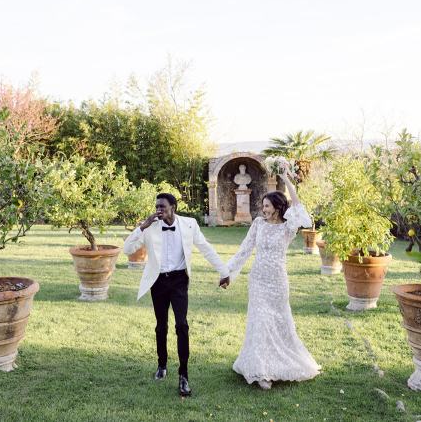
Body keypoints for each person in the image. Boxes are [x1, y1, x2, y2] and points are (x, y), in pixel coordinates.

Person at [221, 168, 321, 389]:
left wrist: (285, 178)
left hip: (277, 281)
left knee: (278, 321)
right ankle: (261, 371)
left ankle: (279, 364)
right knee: (260, 321)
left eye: (267, 206)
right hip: (258, 280)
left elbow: (297, 206)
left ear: (277, 208)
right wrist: (227, 273)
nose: (263, 209)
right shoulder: (257, 224)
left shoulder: (288, 228)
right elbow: (244, 251)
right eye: (263, 206)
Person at [123, 193, 229, 397]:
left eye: (162, 206)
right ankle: (162, 364)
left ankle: (183, 375)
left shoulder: (189, 224)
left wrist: (224, 272)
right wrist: (142, 226)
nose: (158, 210)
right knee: (161, 326)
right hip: (159, 282)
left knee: (182, 325)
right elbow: (127, 248)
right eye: (156, 207)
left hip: (180, 280)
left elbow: (206, 248)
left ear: (173, 207)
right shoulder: (151, 226)